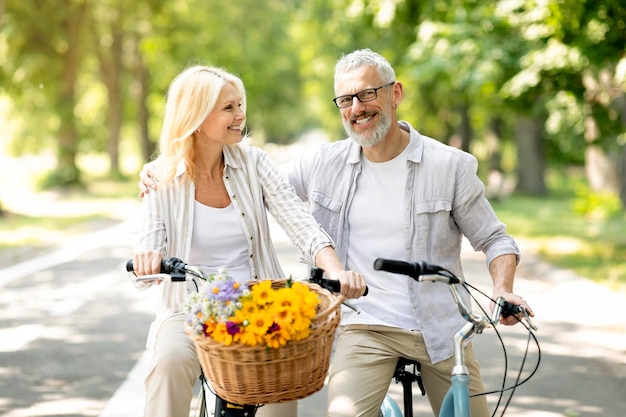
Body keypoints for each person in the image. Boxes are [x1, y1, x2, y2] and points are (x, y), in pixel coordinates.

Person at [140, 50, 534, 417]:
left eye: (366, 95)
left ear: (395, 94)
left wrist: (503, 290)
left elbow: (495, 239)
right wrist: (156, 184)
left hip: (440, 324)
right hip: (363, 324)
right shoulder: (322, 163)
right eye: (346, 100)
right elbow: (288, 209)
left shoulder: (450, 167)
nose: (357, 108)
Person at [131, 65, 365, 417]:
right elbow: (146, 258)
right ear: (196, 115)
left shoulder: (255, 163)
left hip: (258, 303)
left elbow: (299, 222)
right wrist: (148, 260)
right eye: (229, 108)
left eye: (240, 105)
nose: (241, 115)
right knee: (169, 362)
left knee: (284, 379)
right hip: (187, 310)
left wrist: (336, 270)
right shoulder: (162, 178)